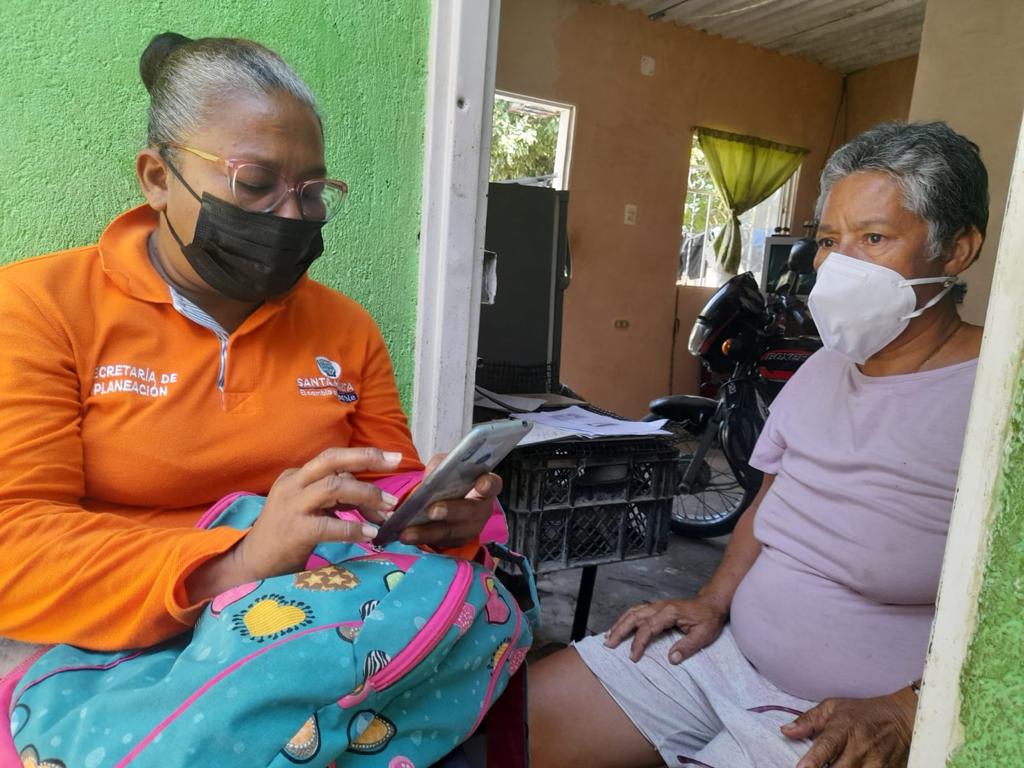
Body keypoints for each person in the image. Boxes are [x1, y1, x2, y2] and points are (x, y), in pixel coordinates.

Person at [0, 34, 499, 666]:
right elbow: (14, 541)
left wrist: (434, 514)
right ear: (158, 178)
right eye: (255, 182)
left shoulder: (345, 327)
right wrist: (237, 563)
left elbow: (381, 482)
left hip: (310, 618)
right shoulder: (38, 306)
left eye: (311, 192)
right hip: (106, 634)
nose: (290, 217)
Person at [528, 121, 988, 768]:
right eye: (828, 240)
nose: (837, 265)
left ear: (957, 250)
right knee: (518, 726)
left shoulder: (995, 398)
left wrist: (912, 708)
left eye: (873, 238)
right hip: (724, 655)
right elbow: (765, 505)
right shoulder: (823, 367)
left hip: (844, 715)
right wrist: (711, 601)